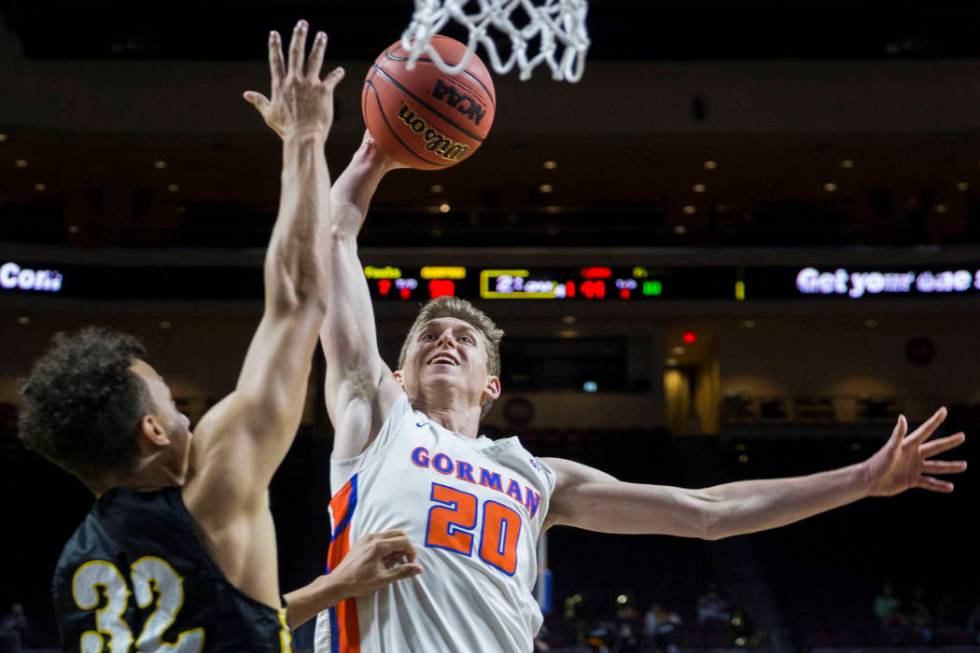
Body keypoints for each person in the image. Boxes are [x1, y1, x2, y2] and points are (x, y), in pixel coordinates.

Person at [313, 135, 968, 652]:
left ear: (493, 385)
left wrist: (863, 477)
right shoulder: (377, 418)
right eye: (429, 334)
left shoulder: (536, 477)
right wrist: (370, 154)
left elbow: (709, 511)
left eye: (464, 337)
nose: (445, 339)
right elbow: (337, 238)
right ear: (395, 374)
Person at [18, 22, 419, 652]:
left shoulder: (78, 569)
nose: (185, 415)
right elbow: (297, 302)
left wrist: (331, 587)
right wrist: (305, 136)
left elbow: (223, 613)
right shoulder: (216, 483)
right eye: (169, 403)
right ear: (151, 431)